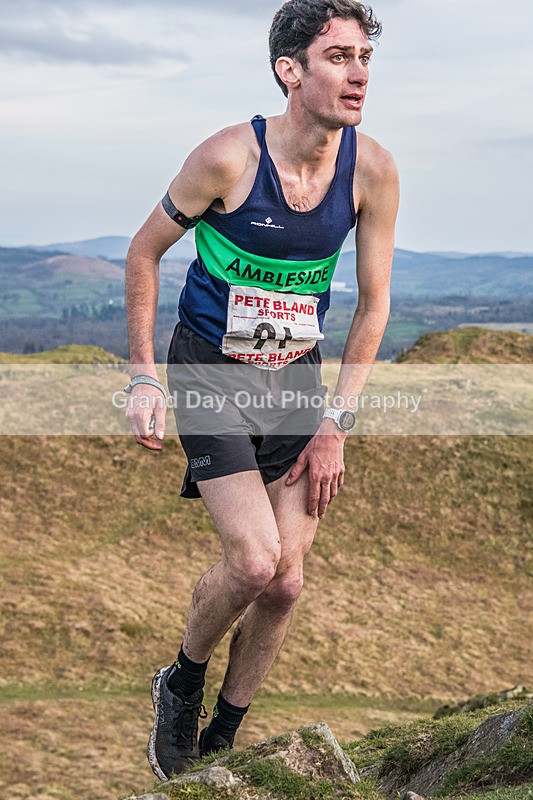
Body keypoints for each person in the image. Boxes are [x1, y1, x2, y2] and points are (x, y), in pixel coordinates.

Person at [124, 0, 399, 782]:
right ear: (290, 71)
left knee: (286, 581)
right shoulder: (226, 159)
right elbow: (143, 254)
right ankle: (181, 681)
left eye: (364, 59)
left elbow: (374, 302)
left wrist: (335, 426)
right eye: (338, 57)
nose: (357, 75)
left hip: (295, 382)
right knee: (251, 563)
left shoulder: (371, 170)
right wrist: (144, 374)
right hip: (209, 369)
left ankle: (223, 741)